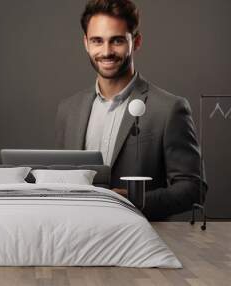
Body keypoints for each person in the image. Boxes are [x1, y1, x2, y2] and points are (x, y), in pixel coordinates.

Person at [55, 0, 207, 220]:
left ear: (136, 42)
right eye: (97, 41)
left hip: (139, 242)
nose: (106, 51)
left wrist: (137, 202)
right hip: (76, 239)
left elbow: (194, 189)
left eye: (117, 41)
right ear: (86, 43)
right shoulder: (68, 110)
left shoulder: (169, 109)